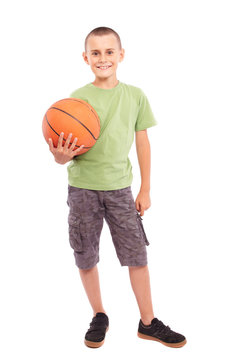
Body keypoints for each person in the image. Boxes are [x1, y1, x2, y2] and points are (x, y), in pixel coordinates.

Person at [48, 26, 186, 349]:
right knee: (85, 254)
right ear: (86, 58)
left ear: (121, 55)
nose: (103, 58)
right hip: (82, 189)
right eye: (95, 53)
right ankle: (99, 315)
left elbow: (143, 144)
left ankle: (148, 322)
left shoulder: (135, 96)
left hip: (121, 189)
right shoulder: (76, 99)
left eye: (109, 52)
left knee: (137, 254)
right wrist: (58, 156)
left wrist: (146, 188)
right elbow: (60, 154)